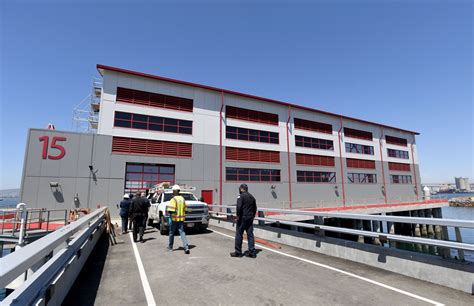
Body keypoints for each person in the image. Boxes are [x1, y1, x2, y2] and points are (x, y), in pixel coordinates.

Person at [230, 184, 257, 258]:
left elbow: (239, 207)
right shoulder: (252, 197)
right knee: (250, 235)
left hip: (242, 218)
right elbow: (255, 208)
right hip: (250, 218)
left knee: (239, 234)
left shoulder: (241, 196)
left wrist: (238, 216)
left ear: (242, 189)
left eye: (240, 188)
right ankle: (252, 252)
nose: (239, 190)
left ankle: (238, 252)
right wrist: (253, 216)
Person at [167, 185, 190, 254]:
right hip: (181, 219)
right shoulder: (182, 199)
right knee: (182, 233)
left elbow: (170, 210)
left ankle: (170, 247)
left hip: (174, 219)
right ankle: (186, 247)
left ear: (174, 191)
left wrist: (170, 216)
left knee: (171, 233)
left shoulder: (173, 199)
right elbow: (185, 209)